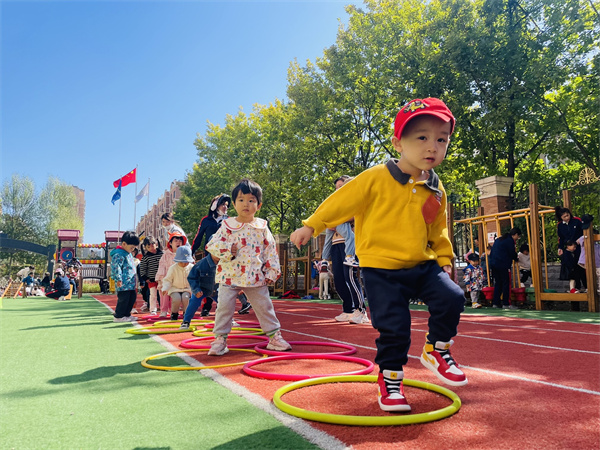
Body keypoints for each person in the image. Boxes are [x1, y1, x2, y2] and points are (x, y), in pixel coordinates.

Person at [290, 97, 468, 413]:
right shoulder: (375, 177)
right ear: (398, 143)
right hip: (382, 270)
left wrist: (444, 259)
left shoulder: (436, 188)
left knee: (452, 297)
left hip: (422, 264)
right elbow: (341, 201)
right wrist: (312, 225)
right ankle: (391, 381)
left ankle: (436, 349)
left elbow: (438, 229)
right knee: (395, 328)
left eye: (442, 140)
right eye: (422, 137)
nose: (433, 146)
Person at [205, 179, 291, 356]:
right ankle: (220, 339)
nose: (246, 204)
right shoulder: (227, 226)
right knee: (224, 308)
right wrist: (228, 249)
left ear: (258, 205)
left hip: (255, 275)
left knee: (264, 306)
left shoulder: (262, 227)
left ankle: (274, 336)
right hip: (229, 275)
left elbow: (270, 250)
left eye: (251, 200)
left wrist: (272, 271)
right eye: (241, 199)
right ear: (234, 204)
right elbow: (212, 245)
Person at [190, 193, 251, 316]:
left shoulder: (229, 221)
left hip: (227, 256)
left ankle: (244, 303)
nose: (225, 207)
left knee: (229, 279)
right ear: (214, 205)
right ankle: (206, 307)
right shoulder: (206, 220)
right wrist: (192, 252)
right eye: (223, 204)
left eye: (227, 205)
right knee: (210, 280)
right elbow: (198, 237)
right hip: (211, 255)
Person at [321, 175, 368, 324]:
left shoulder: (355, 201)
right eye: (336, 188)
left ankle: (361, 311)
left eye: (341, 187)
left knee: (350, 277)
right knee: (339, 280)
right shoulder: (336, 204)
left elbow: (357, 216)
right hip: (336, 244)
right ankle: (348, 309)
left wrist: (337, 220)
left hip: (349, 246)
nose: (338, 190)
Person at [155, 232, 187, 318]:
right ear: (170, 243)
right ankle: (164, 310)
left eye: (180, 241)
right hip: (167, 279)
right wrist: (161, 280)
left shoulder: (184, 254)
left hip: (179, 280)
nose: (178, 242)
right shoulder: (165, 255)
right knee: (163, 292)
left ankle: (175, 310)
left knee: (178, 296)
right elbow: (162, 267)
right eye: (176, 241)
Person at [110, 231, 140, 322]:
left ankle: (127, 314)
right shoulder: (119, 254)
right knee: (124, 299)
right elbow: (116, 267)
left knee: (132, 298)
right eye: (131, 247)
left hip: (130, 283)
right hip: (123, 283)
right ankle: (118, 316)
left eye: (134, 248)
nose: (133, 249)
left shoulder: (128, 253)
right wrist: (118, 278)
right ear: (124, 244)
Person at [489, 227, 521, 309]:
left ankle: (496, 303)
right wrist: (516, 259)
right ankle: (506, 303)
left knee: (498, 283)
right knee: (506, 283)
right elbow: (512, 252)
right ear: (515, 234)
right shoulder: (510, 241)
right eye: (518, 236)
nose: (517, 238)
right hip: (503, 264)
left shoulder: (499, 239)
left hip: (494, 264)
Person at [161, 246, 194, 321]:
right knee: (176, 299)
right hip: (175, 288)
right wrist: (165, 288)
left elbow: (195, 279)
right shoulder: (173, 268)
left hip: (187, 289)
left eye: (186, 262)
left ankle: (186, 313)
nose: (184, 264)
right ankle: (174, 313)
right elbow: (168, 279)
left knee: (186, 298)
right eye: (182, 262)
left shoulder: (192, 267)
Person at [139, 236, 163, 315]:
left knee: (162, 294)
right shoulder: (146, 257)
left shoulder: (162, 254)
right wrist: (145, 278)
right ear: (145, 247)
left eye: (152, 245)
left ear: (156, 244)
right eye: (148, 247)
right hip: (152, 279)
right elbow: (142, 268)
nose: (151, 248)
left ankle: (163, 308)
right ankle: (153, 309)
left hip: (162, 279)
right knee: (153, 295)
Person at [576, 214, 599, 292]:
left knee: (596, 274)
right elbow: (578, 241)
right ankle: (591, 288)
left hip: (593, 260)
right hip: (586, 260)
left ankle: (594, 288)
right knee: (590, 274)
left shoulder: (593, 238)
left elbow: (577, 241)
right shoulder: (583, 237)